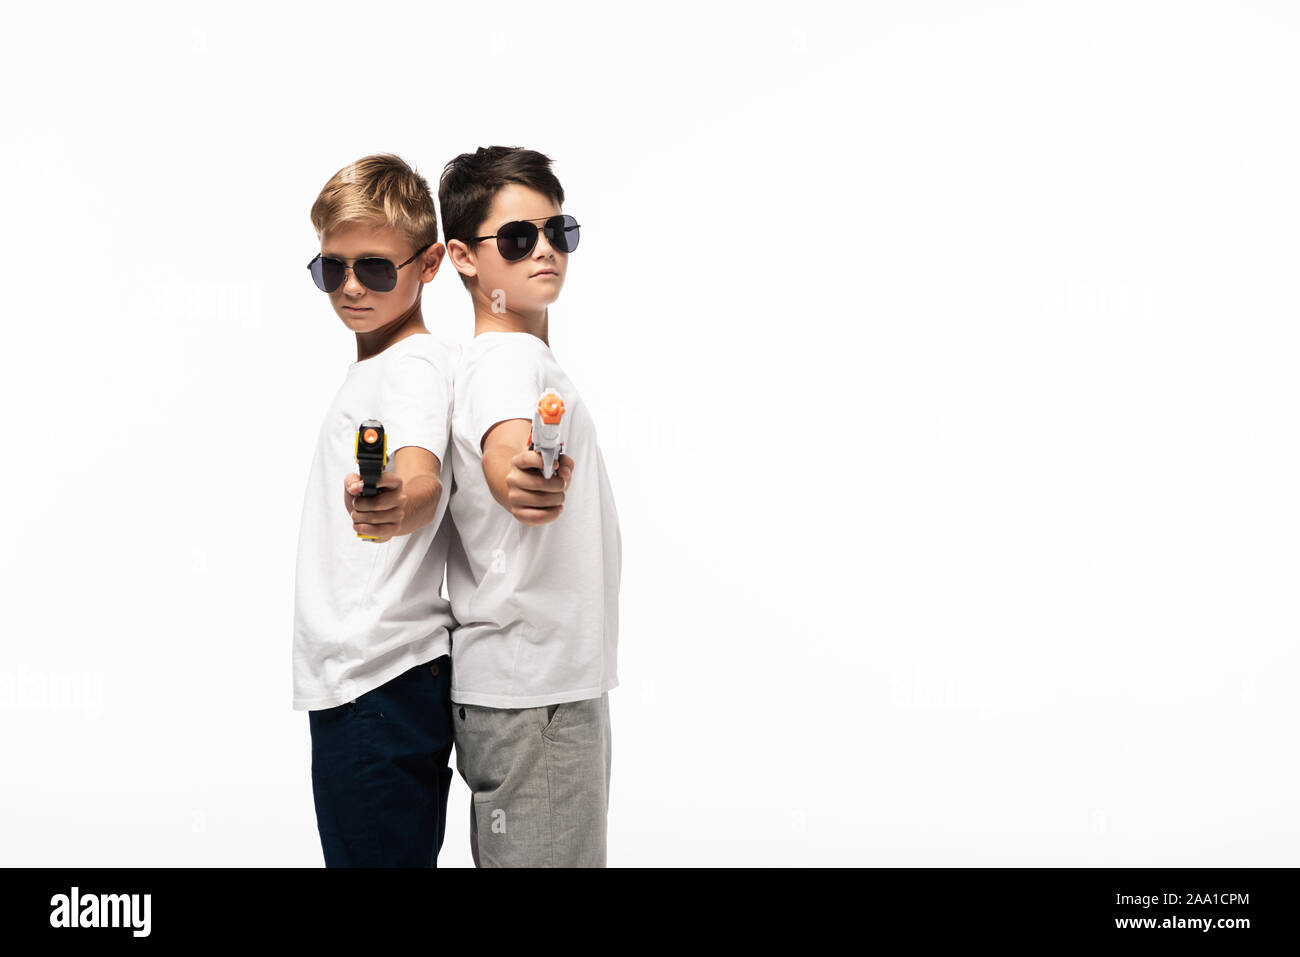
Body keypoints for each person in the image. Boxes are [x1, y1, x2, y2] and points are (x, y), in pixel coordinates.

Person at [436, 146, 621, 867]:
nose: (544, 249)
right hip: (535, 693)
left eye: (557, 230)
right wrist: (526, 479)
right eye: (517, 237)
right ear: (463, 256)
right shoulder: (508, 361)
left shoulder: (514, 357)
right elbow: (510, 455)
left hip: (530, 689)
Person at [292, 153, 459, 867]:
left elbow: (417, 471)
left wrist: (398, 501)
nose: (351, 287)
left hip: (375, 682)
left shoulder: (411, 368)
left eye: (375, 268)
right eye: (332, 268)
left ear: (428, 266)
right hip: (382, 685)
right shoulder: (381, 365)